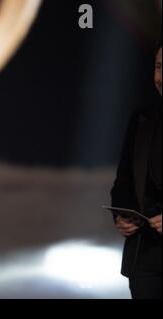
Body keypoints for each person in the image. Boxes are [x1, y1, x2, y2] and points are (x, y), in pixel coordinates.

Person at [111, 43, 162, 299]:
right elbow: (123, 182)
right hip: (144, 259)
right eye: (158, 67)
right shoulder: (141, 118)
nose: (160, 77)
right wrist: (121, 215)